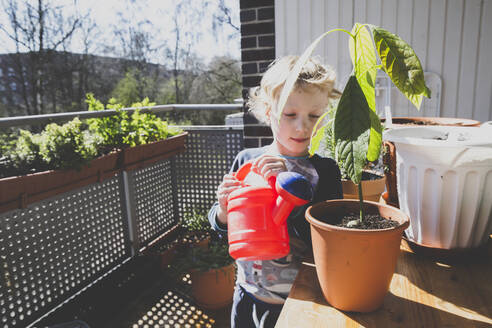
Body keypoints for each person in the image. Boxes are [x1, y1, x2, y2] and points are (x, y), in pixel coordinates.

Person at [208, 55, 343, 328]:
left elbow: (330, 241)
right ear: (269, 112)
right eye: (290, 115)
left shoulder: (326, 171)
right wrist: (223, 211)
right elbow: (222, 227)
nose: (303, 126)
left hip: (302, 301)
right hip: (246, 294)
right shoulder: (246, 161)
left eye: (314, 115)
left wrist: (289, 188)